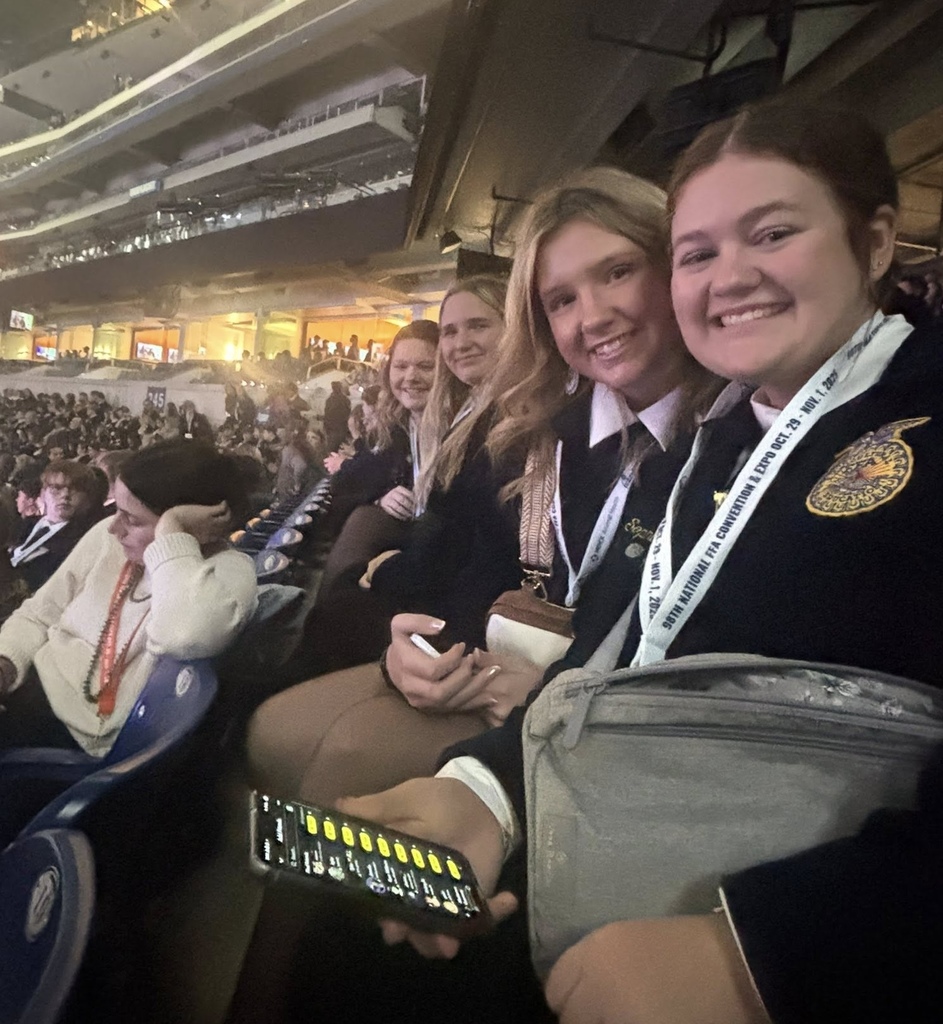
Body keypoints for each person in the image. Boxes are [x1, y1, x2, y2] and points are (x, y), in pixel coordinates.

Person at [334, 102, 943, 1024]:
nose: (729, 278)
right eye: (697, 253)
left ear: (873, 242)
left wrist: (771, 951)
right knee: (360, 930)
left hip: (823, 909)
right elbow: (618, 651)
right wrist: (483, 791)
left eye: (771, 233)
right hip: (646, 826)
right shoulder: (720, 440)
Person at [248, 172, 718, 805]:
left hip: (604, 722)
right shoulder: (543, 431)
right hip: (504, 663)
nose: (595, 316)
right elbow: (490, 562)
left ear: (676, 268)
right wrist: (418, 652)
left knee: (335, 770)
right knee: (272, 734)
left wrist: (551, 686)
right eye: (561, 300)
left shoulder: (735, 440)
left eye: (617, 272)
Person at [0, 440, 258, 756]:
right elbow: (39, 614)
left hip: (70, 739)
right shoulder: (108, 541)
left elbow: (184, 635)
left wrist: (172, 534)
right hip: (30, 687)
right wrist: (6, 663)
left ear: (193, 525)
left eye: (132, 520)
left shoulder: (230, 571)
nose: (114, 529)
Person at [11, 460, 107, 592]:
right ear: (43, 493)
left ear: (88, 500)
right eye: (56, 488)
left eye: (76, 489)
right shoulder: (23, 523)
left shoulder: (80, 541)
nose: (65, 495)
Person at [322, 381, 351, 453]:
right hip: (342, 430)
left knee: (332, 453)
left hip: (332, 432)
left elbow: (327, 416)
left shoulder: (329, 400)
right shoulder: (345, 400)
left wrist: (326, 428)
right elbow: (348, 414)